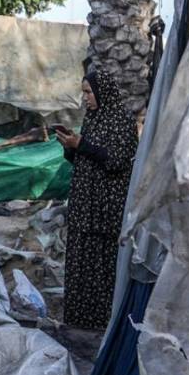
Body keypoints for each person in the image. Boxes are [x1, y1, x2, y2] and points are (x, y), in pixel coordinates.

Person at [55, 70, 138, 331]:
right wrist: (70, 146)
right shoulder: (92, 119)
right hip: (83, 208)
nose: (85, 98)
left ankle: (102, 324)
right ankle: (79, 321)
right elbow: (83, 159)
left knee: (102, 267)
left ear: (104, 92)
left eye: (89, 92)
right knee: (82, 264)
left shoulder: (122, 121)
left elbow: (117, 161)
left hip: (105, 211)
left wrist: (83, 145)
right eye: (84, 93)